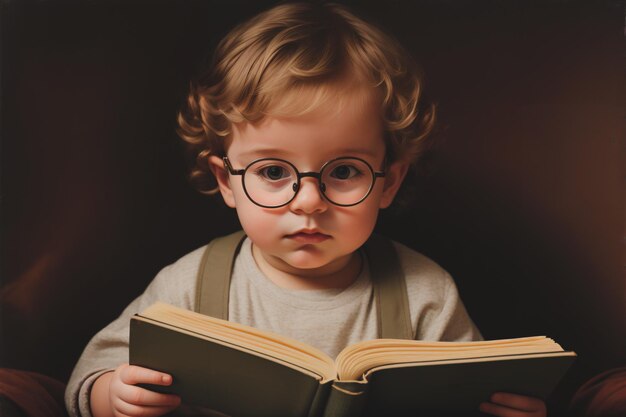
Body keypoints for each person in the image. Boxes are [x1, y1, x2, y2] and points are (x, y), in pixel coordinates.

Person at [65, 2, 548, 417]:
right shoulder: (189, 285)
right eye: (273, 172)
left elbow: (473, 394)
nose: (310, 202)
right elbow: (89, 377)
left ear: (388, 182)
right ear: (226, 180)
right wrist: (114, 395)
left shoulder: (426, 295)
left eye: (343, 172)